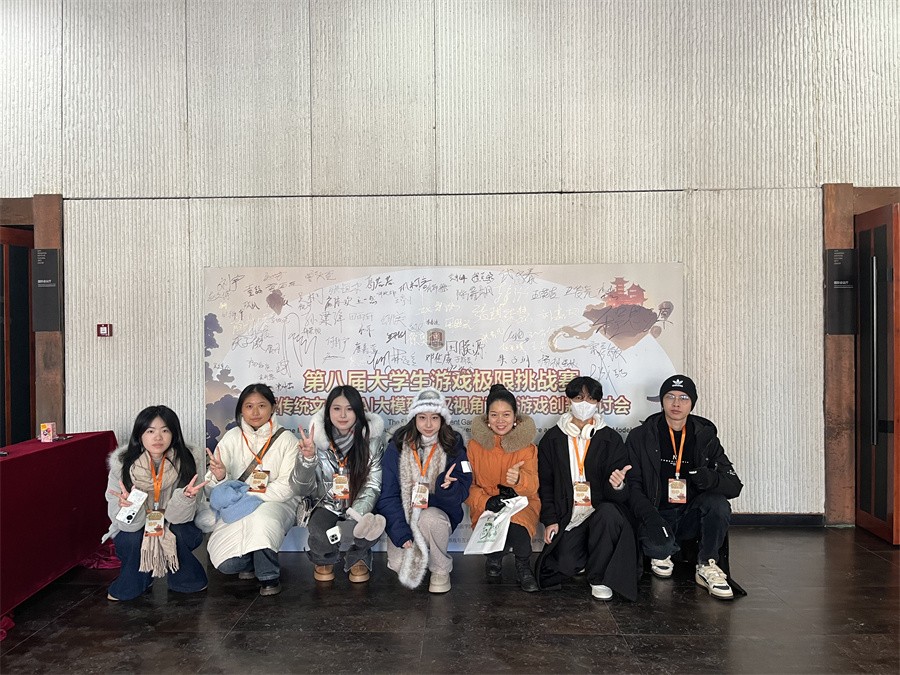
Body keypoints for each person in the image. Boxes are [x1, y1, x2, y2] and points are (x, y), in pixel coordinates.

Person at [625, 374, 743, 600]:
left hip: (689, 514)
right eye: (670, 397)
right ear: (662, 401)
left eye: (683, 398)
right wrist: (651, 517)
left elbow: (734, 486)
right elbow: (634, 485)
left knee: (717, 503)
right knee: (659, 549)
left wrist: (710, 478)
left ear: (692, 403)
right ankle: (662, 551)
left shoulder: (705, 436)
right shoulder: (641, 436)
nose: (676, 404)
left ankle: (707, 564)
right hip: (656, 514)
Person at [535, 376, 638, 600]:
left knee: (609, 513)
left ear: (598, 402)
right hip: (570, 516)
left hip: (599, 512)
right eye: (579, 397)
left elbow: (621, 494)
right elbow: (546, 484)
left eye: (591, 399)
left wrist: (618, 485)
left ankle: (598, 578)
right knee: (566, 564)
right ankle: (591, 558)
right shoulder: (552, 439)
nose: (584, 403)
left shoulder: (610, 439)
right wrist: (550, 519)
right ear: (569, 400)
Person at [104, 405, 208, 601]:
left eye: (165, 431)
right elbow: (123, 524)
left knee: (179, 532)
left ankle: (186, 579)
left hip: (176, 524)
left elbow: (181, 518)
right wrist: (131, 507)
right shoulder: (122, 466)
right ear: (139, 435)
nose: (158, 437)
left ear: (174, 434)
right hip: (135, 527)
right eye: (150, 431)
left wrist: (185, 498)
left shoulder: (187, 462)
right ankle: (138, 580)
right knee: (131, 538)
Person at [205, 383, 299, 596]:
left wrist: (248, 495)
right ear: (241, 410)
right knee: (226, 563)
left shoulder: (287, 440)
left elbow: (287, 487)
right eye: (249, 406)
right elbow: (213, 488)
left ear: (273, 407)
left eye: (261, 405)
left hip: (275, 501)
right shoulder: (232, 437)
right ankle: (252, 561)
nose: (255, 412)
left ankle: (269, 576)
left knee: (261, 520)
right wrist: (220, 477)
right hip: (238, 505)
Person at [376, 389, 472, 593]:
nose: (428, 424)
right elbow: (387, 495)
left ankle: (440, 569)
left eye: (434, 418)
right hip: (404, 516)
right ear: (414, 419)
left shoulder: (453, 446)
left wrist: (448, 488)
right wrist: (400, 532)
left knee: (432, 520)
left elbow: (463, 490)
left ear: (442, 420)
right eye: (422, 418)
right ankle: (413, 545)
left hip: (436, 515)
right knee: (398, 564)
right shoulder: (397, 446)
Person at [291, 385, 385, 583]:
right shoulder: (315, 441)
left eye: (349, 409)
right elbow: (300, 488)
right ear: (328, 411)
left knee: (369, 525)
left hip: (359, 504)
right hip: (327, 504)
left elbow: (373, 485)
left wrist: (355, 514)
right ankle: (323, 557)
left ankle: (358, 556)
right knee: (319, 527)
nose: (343, 415)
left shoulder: (372, 442)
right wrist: (307, 459)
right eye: (337, 408)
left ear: (358, 411)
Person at [466, 384, 540, 592]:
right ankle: (493, 558)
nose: (500, 420)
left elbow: (533, 487)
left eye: (506, 414)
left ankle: (523, 566)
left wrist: (519, 480)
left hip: (520, 502)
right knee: (492, 527)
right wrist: (485, 501)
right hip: (488, 503)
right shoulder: (474, 446)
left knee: (518, 530)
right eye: (494, 415)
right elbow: (467, 486)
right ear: (487, 418)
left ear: (515, 417)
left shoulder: (527, 447)